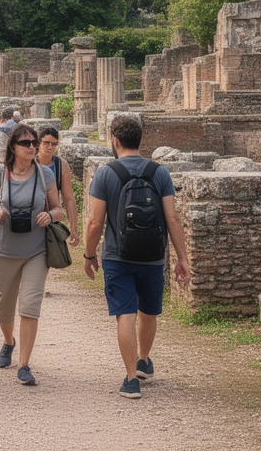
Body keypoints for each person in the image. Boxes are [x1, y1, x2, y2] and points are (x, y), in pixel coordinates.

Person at [83, 114, 191, 399]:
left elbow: (95, 223)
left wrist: (89, 254)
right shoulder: (160, 173)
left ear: (114, 140)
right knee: (149, 310)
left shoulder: (106, 173)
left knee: (125, 314)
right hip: (153, 256)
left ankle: (131, 378)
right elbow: (172, 218)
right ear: (140, 140)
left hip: (118, 255)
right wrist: (182, 257)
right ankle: (143, 359)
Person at [0, 123, 63, 385]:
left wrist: (49, 215)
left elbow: (58, 209)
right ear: (13, 148)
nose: (32, 147)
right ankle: (8, 341)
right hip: (6, 249)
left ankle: (24, 364)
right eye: (26, 143)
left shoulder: (45, 175)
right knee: (3, 309)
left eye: (33, 143)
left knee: (29, 305)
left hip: (36, 250)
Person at [37, 126, 81, 248]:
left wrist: (74, 228)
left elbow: (69, 198)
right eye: (46, 143)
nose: (50, 147)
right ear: (39, 143)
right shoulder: (30, 162)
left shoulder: (61, 165)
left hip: (51, 218)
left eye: (54, 144)